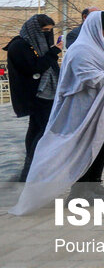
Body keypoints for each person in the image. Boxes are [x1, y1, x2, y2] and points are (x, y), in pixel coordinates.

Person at [11, 11, 104, 213]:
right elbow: (87, 76)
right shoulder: (81, 49)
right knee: (85, 146)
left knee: (101, 144)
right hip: (84, 107)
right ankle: (79, 192)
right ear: (98, 28)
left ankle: (94, 184)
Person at [3, 14, 62, 181]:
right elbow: (34, 68)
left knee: (37, 129)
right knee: (44, 130)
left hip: (47, 94)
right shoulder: (20, 46)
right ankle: (32, 168)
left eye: (49, 31)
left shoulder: (40, 45)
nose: (47, 34)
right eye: (44, 31)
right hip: (35, 95)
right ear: (34, 30)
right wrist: (54, 51)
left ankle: (30, 169)